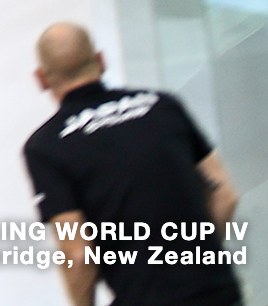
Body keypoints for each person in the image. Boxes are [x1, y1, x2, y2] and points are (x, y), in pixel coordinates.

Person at [23, 23, 243, 306]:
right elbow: (225, 195)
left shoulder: (46, 146)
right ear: (101, 61)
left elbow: (77, 254)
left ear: (41, 79)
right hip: (217, 293)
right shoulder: (163, 106)